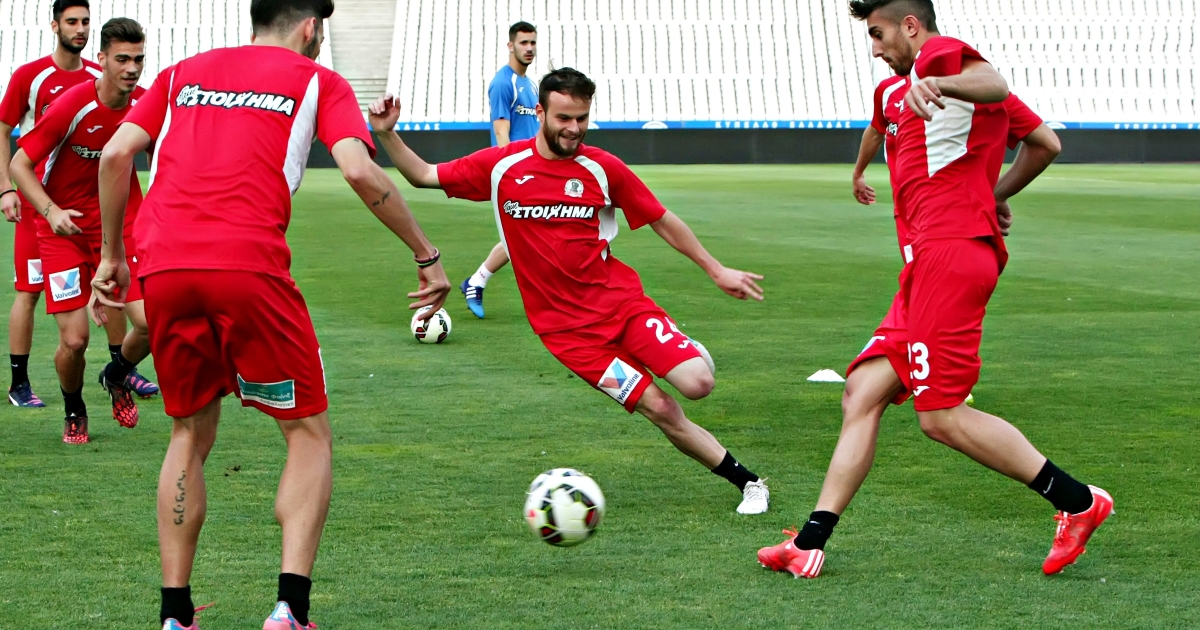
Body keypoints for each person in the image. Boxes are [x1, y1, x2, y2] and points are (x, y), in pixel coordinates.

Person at [90, 1, 450, 628]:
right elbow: (359, 169)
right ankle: (290, 609)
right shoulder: (318, 80)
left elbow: (115, 155)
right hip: (248, 267)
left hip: (167, 269)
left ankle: (175, 614)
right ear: (311, 27)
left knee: (188, 434)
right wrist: (426, 253)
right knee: (307, 434)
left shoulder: (181, 72)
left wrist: (111, 257)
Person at [757, 0, 1112, 579]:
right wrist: (990, 193)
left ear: (911, 26)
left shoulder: (940, 59)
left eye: (878, 35)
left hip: (951, 254)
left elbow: (994, 83)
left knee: (941, 416)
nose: (875, 49)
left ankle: (1079, 502)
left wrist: (939, 83)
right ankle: (809, 542)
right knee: (862, 392)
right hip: (925, 265)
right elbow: (1043, 141)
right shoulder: (897, 93)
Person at [368, 67, 773, 516]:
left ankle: (679, 348)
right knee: (660, 408)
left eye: (582, 118)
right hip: (571, 339)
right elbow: (424, 174)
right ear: (540, 113)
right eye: (564, 118)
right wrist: (386, 134)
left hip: (622, 307)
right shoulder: (502, 167)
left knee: (698, 384)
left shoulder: (603, 168)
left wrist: (716, 270)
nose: (574, 128)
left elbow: (660, 218)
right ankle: (749, 483)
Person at [10, 17, 151, 442]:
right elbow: (20, 164)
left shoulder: (146, 105)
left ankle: (116, 374)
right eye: (122, 59)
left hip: (122, 228)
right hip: (64, 231)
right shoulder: (73, 104)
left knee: (152, 323)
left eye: (139, 59)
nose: (131, 68)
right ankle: (74, 409)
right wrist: (50, 211)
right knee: (74, 341)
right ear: (102, 59)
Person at [459, 21, 540, 318]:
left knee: (528, 233)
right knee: (526, 233)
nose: (529, 48)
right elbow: (501, 133)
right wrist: (512, 171)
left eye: (532, 43)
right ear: (510, 45)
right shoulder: (503, 83)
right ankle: (477, 282)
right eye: (523, 43)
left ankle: (476, 282)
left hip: (535, 169)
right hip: (517, 171)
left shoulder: (531, 85)